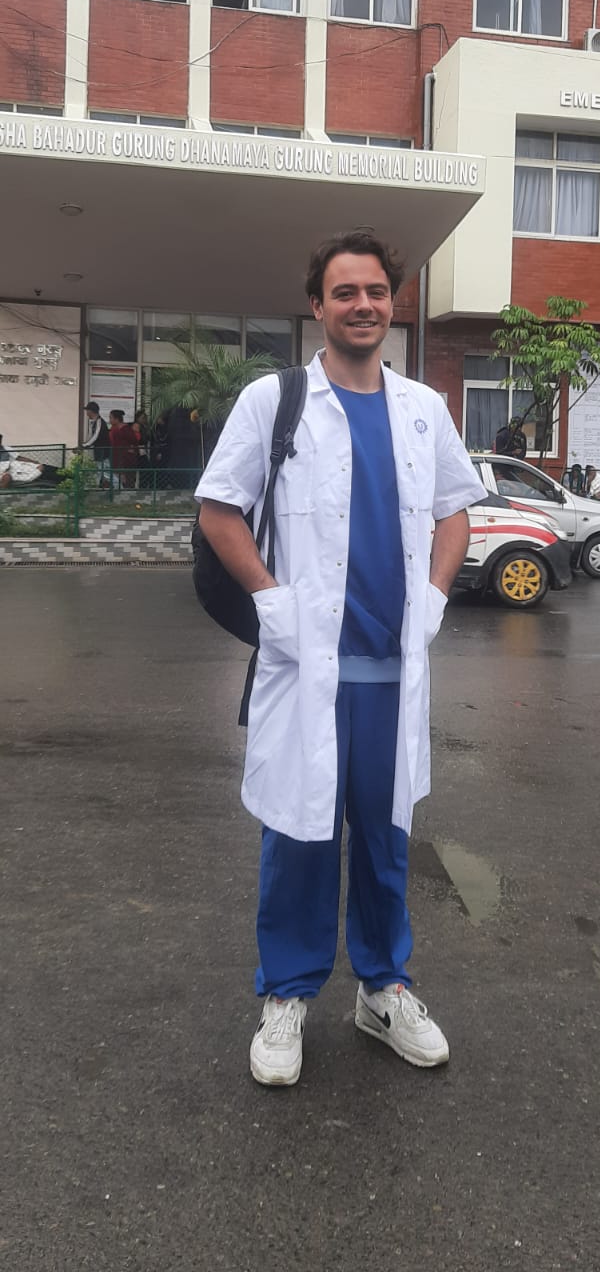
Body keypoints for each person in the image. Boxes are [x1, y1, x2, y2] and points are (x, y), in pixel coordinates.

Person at [196, 227, 482, 1088]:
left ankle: (383, 988)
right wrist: (271, 601)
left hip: (393, 675)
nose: (363, 305)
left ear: (393, 303)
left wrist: (433, 595)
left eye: (376, 292)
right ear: (316, 305)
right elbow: (219, 509)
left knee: (387, 841)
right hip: (306, 669)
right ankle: (286, 994)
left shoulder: (423, 407)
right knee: (298, 837)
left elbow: (455, 509)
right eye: (344, 292)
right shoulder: (275, 399)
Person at [82, 401, 111, 486]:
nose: (86, 412)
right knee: (100, 472)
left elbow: (95, 436)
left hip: (102, 452)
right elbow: (91, 436)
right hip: (98, 452)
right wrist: (85, 444)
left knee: (106, 473)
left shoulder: (99, 422)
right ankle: (96, 487)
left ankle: (118, 489)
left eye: (87, 410)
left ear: (91, 411)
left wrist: (84, 445)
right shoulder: (94, 422)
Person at [108, 410, 139, 488]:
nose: (109, 420)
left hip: (126, 460)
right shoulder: (114, 429)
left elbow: (134, 441)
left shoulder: (126, 429)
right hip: (116, 458)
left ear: (117, 419)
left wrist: (130, 450)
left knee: (127, 481)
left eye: (111, 418)